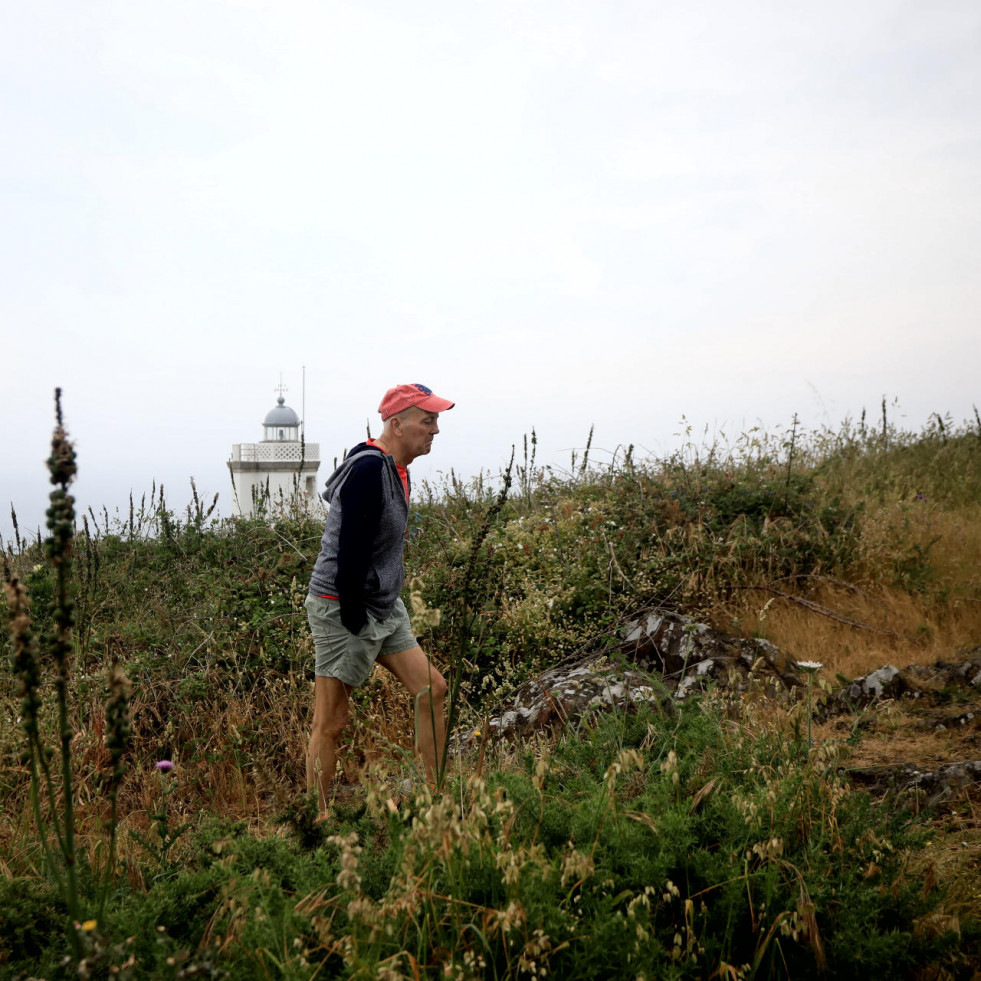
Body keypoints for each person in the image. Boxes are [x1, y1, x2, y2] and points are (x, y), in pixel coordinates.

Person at [304, 383, 454, 820]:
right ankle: (316, 819)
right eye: (427, 420)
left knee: (433, 689)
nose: (436, 430)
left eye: (436, 420)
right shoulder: (370, 470)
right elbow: (350, 546)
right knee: (331, 721)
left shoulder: (397, 469)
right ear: (397, 423)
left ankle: (433, 797)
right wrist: (352, 613)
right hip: (343, 603)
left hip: (384, 604)